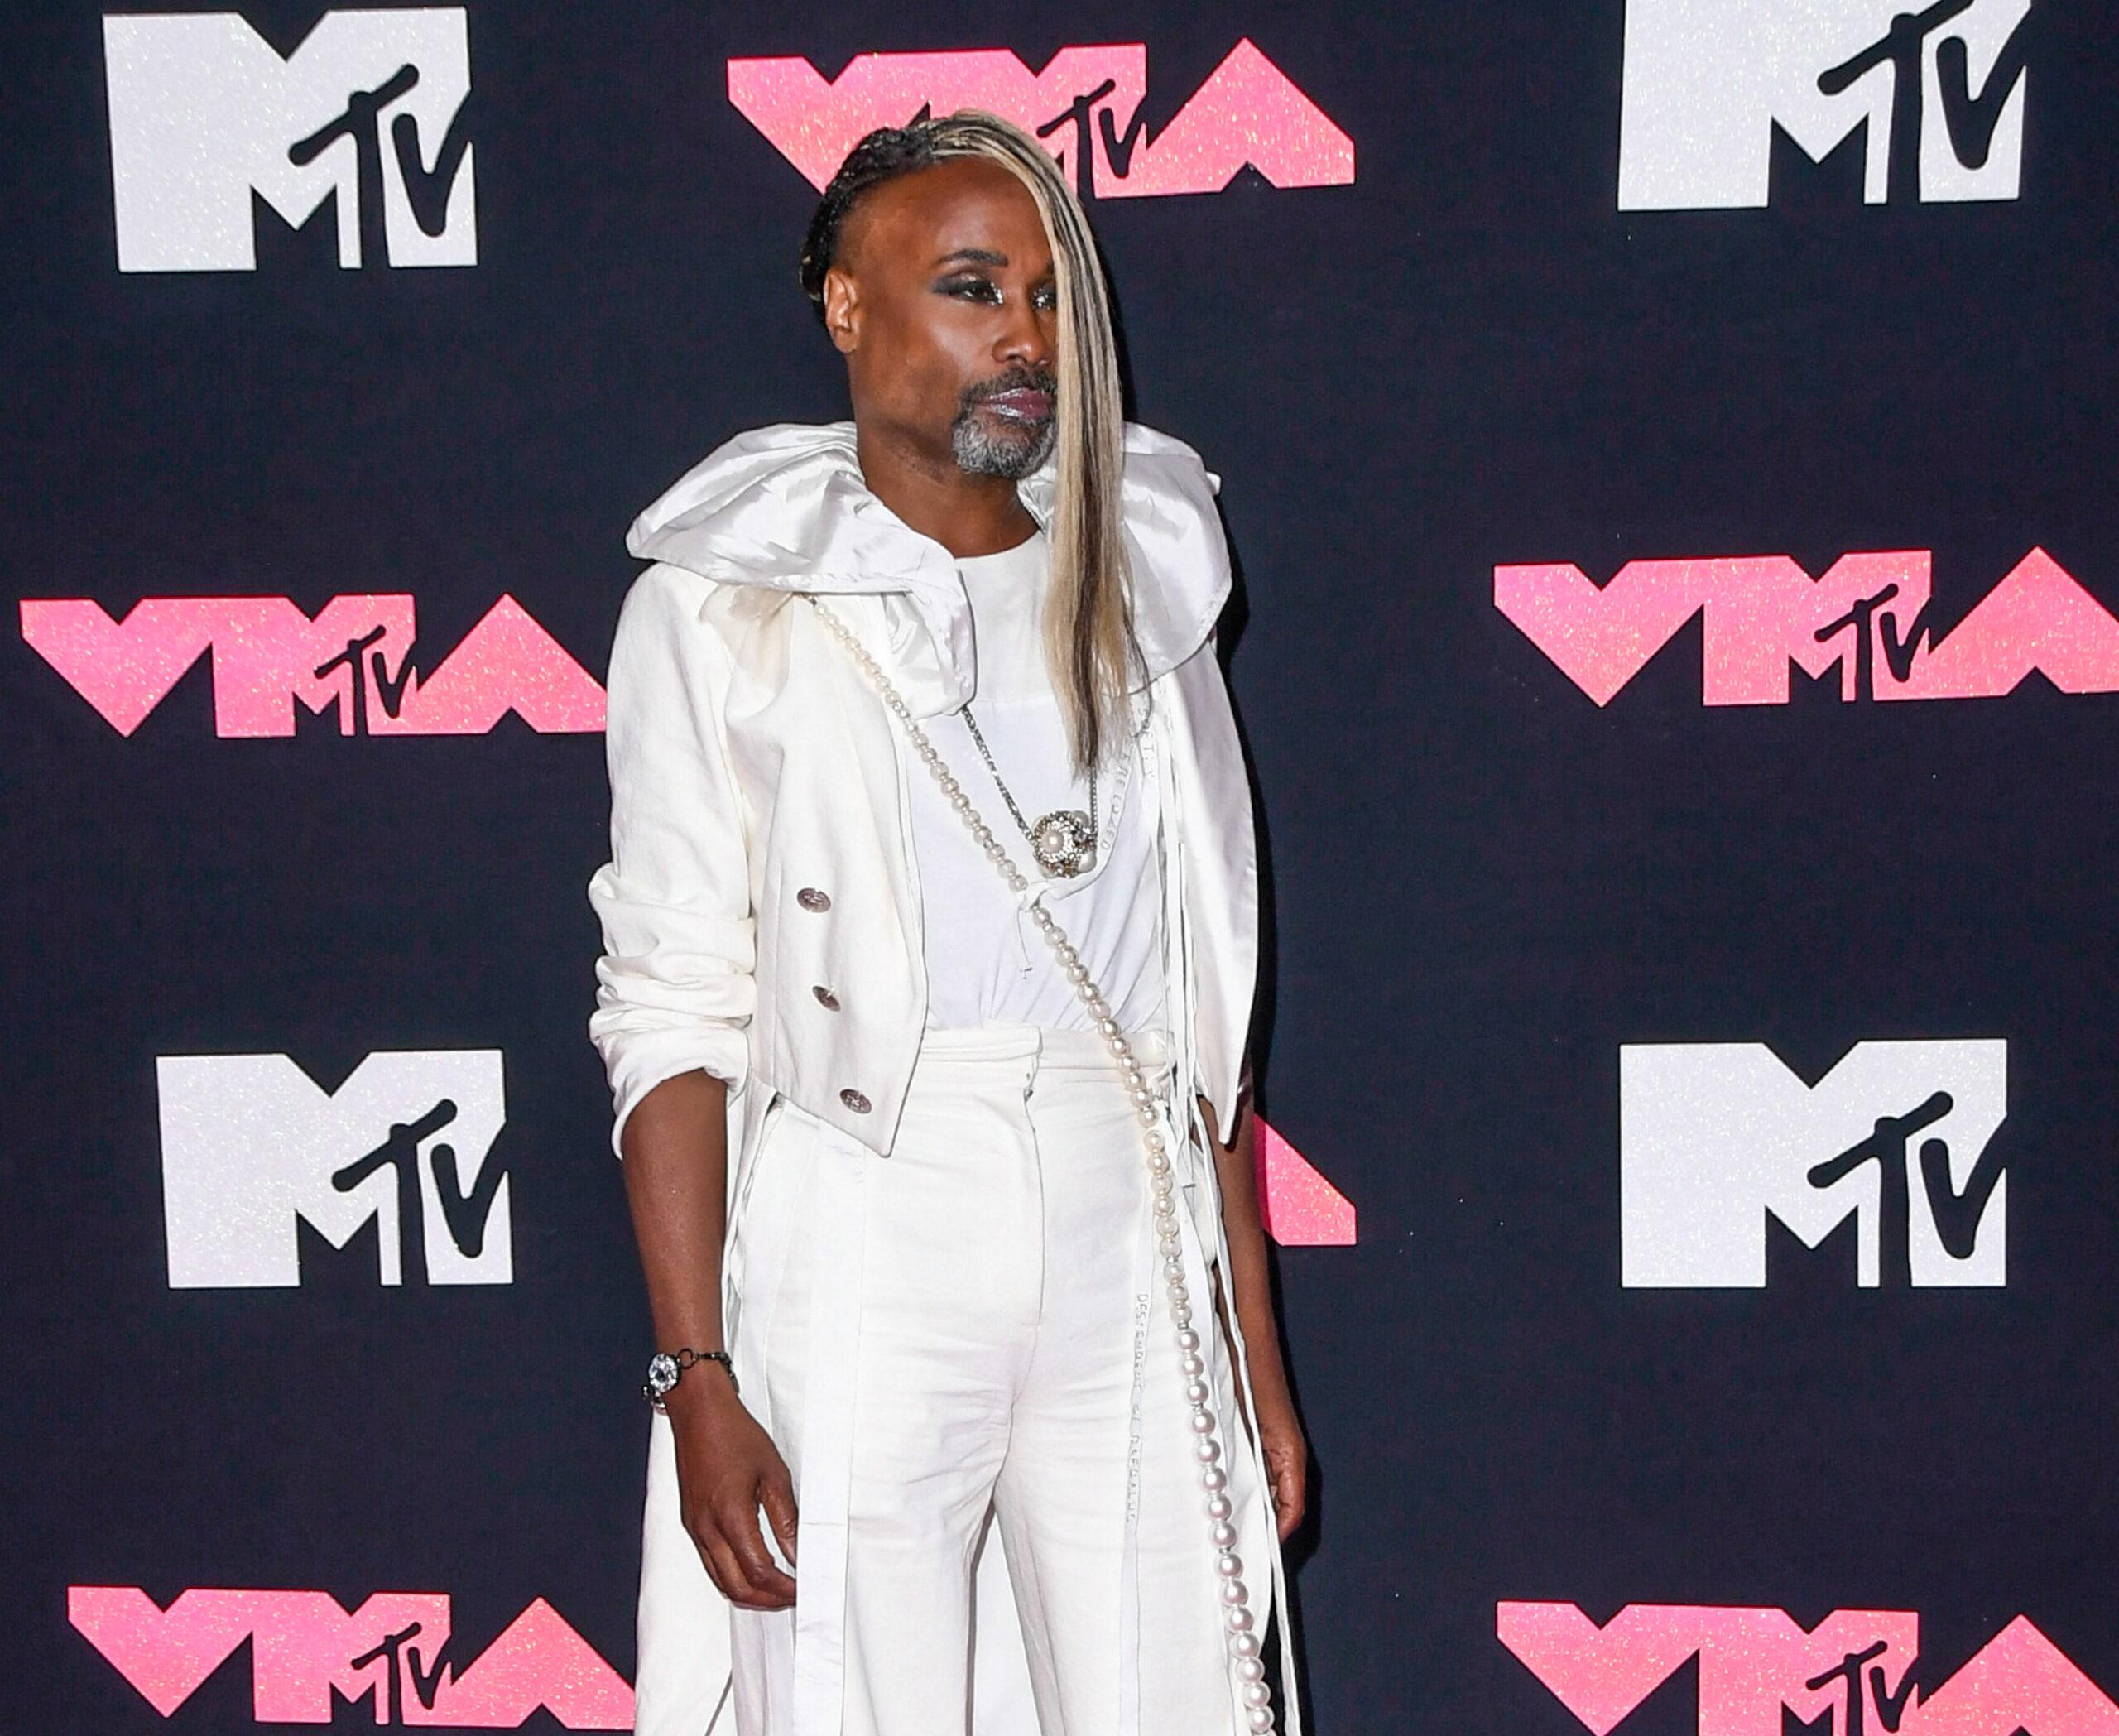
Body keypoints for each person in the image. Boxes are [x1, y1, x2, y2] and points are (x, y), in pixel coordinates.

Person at [587, 109, 1307, 1736]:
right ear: (847, 308)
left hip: (1125, 1224)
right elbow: (670, 1007)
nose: (1023, 336)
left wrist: (1249, 1342)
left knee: (1176, 1697)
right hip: (867, 1205)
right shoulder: (726, 602)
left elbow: (1196, 1023)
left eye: (1049, 297)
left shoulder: (1145, 578)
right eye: (972, 287)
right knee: (853, 1696)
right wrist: (697, 1374)